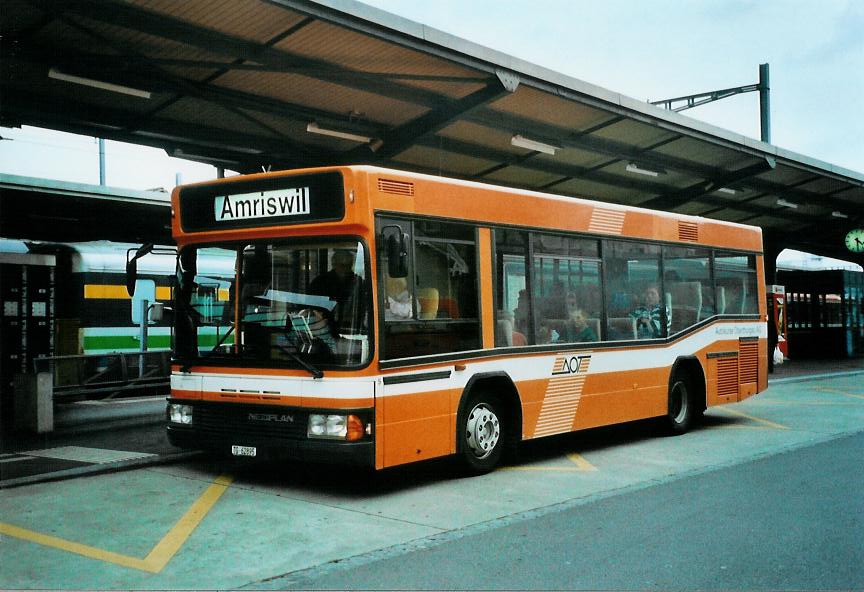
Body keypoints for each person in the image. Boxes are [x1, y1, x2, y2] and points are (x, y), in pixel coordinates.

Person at [309, 250, 363, 331]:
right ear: (334, 264)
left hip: (353, 328)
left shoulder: (358, 282)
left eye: (349, 265)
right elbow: (313, 307)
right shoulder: (320, 282)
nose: (345, 269)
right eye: (342, 265)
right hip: (324, 327)